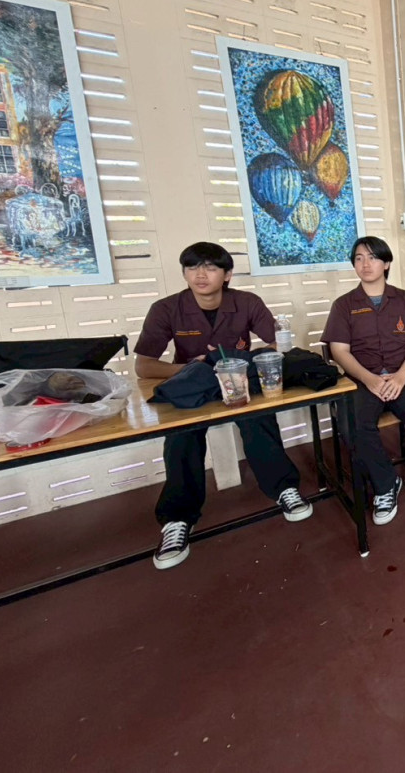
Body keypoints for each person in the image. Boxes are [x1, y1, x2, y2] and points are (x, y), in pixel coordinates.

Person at [135, 242, 312, 571]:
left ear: (227, 274)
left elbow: (278, 343)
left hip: (238, 380)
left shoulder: (247, 302)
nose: (200, 274)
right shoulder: (166, 308)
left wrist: (250, 360)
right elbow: (144, 365)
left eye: (210, 267)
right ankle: (177, 520)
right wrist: (192, 368)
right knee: (181, 436)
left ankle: (285, 489)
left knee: (259, 419)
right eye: (192, 267)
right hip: (193, 385)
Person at [323, 236, 405, 525]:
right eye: (359, 258)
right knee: (353, 425)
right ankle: (386, 484)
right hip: (361, 379)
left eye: (373, 257)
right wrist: (369, 380)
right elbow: (339, 351)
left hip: (403, 374)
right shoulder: (343, 305)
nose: (365, 264)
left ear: (386, 263)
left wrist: (401, 377)